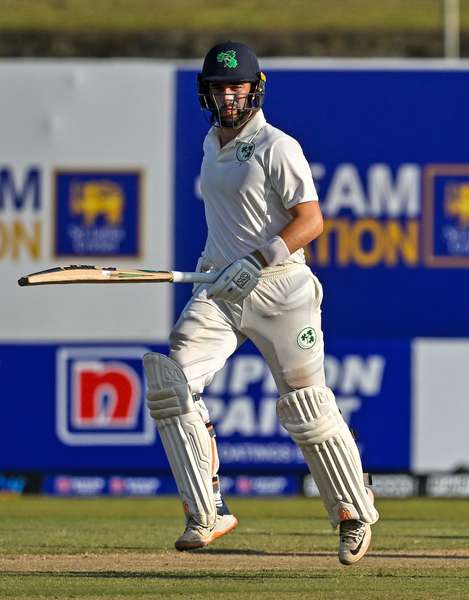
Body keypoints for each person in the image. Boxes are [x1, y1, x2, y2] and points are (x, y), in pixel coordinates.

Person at [142, 41, 378, 565]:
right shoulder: (210, 143)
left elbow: (312, 221)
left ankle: (352, 512)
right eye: (218, 87)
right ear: (205, 92)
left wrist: (259, 257)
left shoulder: (277, 145)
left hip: (281, 289)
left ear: (254, 88)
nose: (228, 96)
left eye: (236, 86)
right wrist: (222, 264)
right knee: (170, 381)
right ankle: (207, 510)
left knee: (306, 406)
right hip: (221, 288)